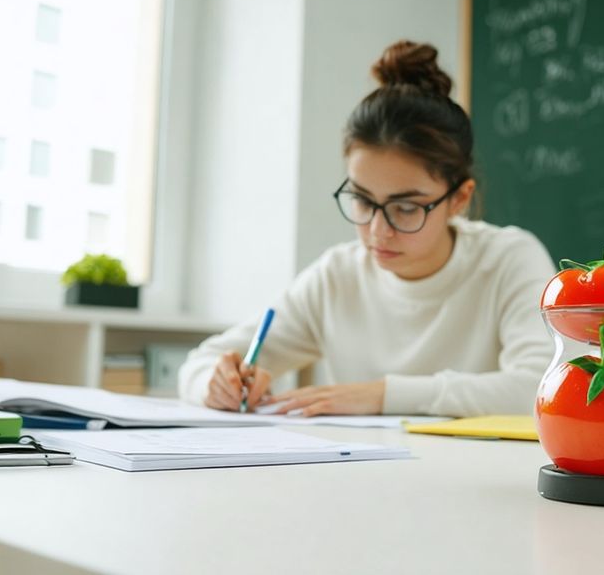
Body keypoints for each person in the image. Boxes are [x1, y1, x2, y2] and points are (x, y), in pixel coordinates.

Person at [178, 40, 555, 417]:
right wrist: (215, 383)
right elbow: (201, 363)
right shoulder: (337, 277)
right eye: (362, 199)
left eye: (405, 208)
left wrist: (381, 395)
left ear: (459, 199)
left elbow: (543, 386)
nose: (377, 230)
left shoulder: (509, 259)